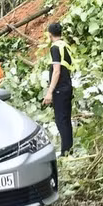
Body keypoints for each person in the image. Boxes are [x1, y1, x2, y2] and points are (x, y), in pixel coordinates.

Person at [42, 23, 74, 156]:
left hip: (60, 88)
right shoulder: (65, 45)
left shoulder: (55, 48)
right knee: (66, 119)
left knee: (61, 120)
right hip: (67, 86)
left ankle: (65, 152)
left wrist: (50, 92)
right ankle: (69, 149)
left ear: (49, 34)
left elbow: (56, 71)